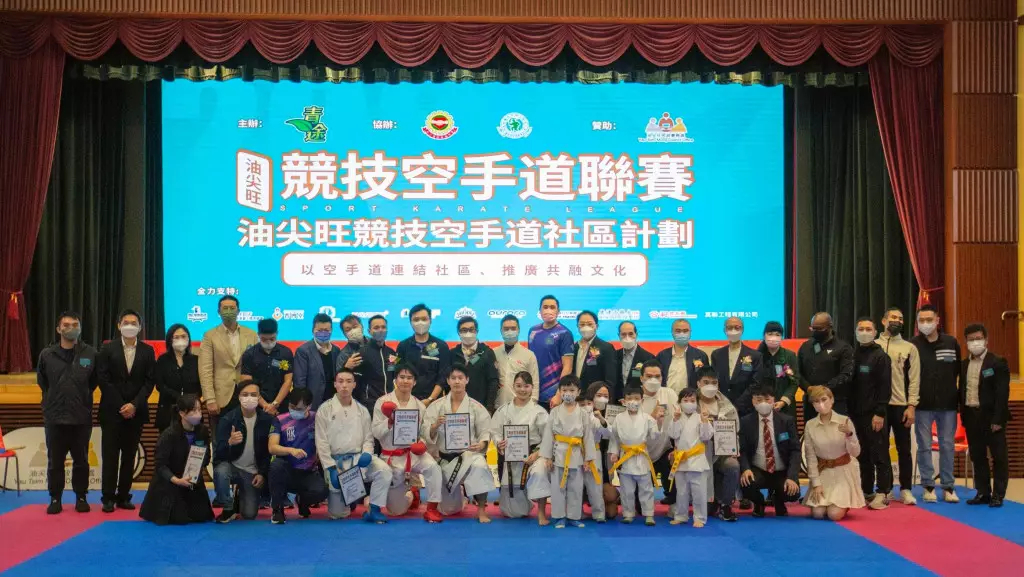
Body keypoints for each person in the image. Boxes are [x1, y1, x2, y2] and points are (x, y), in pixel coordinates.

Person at [97, 309, 156, 513]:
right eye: (126, 322)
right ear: (119, 325)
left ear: (140, 327)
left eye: (134, 323)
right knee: (110, 456)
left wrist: (134, 405)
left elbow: (149, 382)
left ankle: (123, 496)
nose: (130, 326)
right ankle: (108, 497)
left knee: (130, 456)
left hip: (136, 412)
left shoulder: (147, 351)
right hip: (111, 411)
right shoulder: (107, 349)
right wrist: (121, 405)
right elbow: (103, 379)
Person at [37, 311, 97, 514]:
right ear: (58, 329)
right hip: (55, 418)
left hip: (81, 418)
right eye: (66, 325)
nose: (71, 328)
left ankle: (81, 497)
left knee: (82, 461)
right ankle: (55, 498)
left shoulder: (90, 354)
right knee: (55, 462)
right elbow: (43, 382)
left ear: (80, 328)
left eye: (75, 325)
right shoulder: (47, 355)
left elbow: (93, 382)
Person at [315, 369, 393, 522]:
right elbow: (321, 442)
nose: (344, 385)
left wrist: (367, 453)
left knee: (384, 471)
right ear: (335, 384)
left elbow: (368, 438)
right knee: (338, 514)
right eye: (341, 381)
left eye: (348, 381)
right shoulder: (324, 410)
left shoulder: (362, 410)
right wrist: (330, 468)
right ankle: (349, 501)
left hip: (358, 459)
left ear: (354, 385)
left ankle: (374, 509)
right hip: (337, 463)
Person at [371, 364, 444, 522]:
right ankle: (412, 494)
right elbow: (375, 432)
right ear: (395, 380)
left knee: (433, 467)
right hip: (392, 456)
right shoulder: (382, 402)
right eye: (402, 377)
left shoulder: (419, 405)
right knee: (396, 511)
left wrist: (422, 443)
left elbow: (423, 432)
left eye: (409, 378)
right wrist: (389, 422)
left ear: (414, 382)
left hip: (413, 453)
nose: (405, 381)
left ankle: (432, 508)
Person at [424, 364, 495, 522]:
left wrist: (482, 444)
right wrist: (434, 426)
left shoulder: (476, 407)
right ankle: (461, 495)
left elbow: (485, 431)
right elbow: (426, 432)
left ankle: (481, 509)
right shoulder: (436, 406)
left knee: (480, 465)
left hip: (468, 456)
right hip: (445, 459)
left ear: (467, 380)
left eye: (460, 378)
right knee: (448, 510)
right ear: (448, 381)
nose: (457, 381)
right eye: (453, 378)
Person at [911, 304, 961, 504]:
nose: (926, 323)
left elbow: (957, 370)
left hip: (948, 405)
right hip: (922, 405)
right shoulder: (913, 344)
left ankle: (948, 487)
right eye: (921, 320)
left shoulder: (951, 342)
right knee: (924, 445)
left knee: (947, 445)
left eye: (929, 320)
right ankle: (928, 486)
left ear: (937, 320)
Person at [139, 394, 214, 525]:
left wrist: (196, 470)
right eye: (193, 410)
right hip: (171, 480)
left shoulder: (202, 431)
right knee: (179, 519)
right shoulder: (168, 434)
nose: (198, 414)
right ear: (182, 413)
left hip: (191, 479)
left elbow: (207, 457)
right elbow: (160, 465)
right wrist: (177, 480)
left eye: (199, 409)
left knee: (202, 516)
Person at [960, 324, 1010, 508]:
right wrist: (964, 415)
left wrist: (998, 419)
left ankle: (998, 494)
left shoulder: (997, 362)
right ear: (966, 342)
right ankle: (983, 493)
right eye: (971, 339)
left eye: (978, 338)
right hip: (971, 416)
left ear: (986, 340)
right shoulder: (964, 364)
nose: (975, 342)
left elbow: (1002, 394)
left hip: (992, 418)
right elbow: (962, 390)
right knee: (978, 457)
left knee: (999, 457)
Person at [492, 371, 551, 524]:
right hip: (511, 456)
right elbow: (495, 432)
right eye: (519, 386)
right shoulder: (503, 410)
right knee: (511, 512)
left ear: (532, 388)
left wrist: (537, 454)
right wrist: (499, 443)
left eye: (526, 386)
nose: (522, 390)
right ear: (513, 387)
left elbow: (548, 438)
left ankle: (541, 513)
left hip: (534, 455)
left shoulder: (539, 412)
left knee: (540, 472)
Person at [608, 386, 672, 525]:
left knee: (646, 489)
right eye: (629, 398)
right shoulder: (619, 418)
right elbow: (615, 438)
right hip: (625, 457)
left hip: (642, 457)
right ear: (624, 401)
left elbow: (654, 436)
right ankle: (628, 514)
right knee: (627, 490)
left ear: (642, 400)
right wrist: (614, 453)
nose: (633, 401)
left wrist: (659, 422)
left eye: (636, 398)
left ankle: (649, 514)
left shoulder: (647, 418)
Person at [876, 306, 920, 506]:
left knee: (904, 449)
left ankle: (906, 489)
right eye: (893, 317)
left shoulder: (909, 348)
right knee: (881, 448)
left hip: (901, 406)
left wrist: (911, 406)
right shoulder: (873, 346)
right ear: (883, 321)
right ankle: (885, 489)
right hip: (879, 407)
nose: (897, 321)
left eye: (900, 319)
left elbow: (914, 379)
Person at [539, 375, 598, 528]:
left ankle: (574, 516)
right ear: (559, 391)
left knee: (576, 488)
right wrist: (547, 457)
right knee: (558, 487)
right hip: (558, 452)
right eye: (564, 390)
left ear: (578, 392)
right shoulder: (554, 412)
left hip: (576, 453)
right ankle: (559, 517)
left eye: (572, 390)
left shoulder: (583, 413)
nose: (568, 393)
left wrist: (588, 458)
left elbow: (588, 437)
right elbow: (548, 435)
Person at [213, 380, 273, 523]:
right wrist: (229, 443)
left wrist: (262, 473)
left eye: (253, 395)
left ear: (259, 397)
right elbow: (218, 454)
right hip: (232, 467)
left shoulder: (267, 420)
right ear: (239, 397)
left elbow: (268, 453)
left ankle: (239, 494)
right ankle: (228, 507)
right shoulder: (227, 419)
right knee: (220, 471)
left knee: (249, 514)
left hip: (252, 472)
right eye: (245, 394)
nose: (249, 398)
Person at [802, 385, 865, 521]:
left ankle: (845, 503)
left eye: (824, 399)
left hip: (843, 472)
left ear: (832, 400)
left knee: (834, 514)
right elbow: (810, 457)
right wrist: (816, 484)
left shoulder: (845, 420)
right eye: (816, 401)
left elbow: (855, 453)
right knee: (818, 514)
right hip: (823, 472)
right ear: (813, 405)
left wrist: (850, 435)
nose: (821, 404)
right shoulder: (810, 425)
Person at [199, 295, 258, 441]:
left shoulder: (251, 334)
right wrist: (210, 399)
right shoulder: (210, 336)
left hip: (246, 394)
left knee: (247, 437)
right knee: (220, 439)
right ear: (218, 312)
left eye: (232, 308)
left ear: (238, 311)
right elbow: (205, 369)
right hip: (221, 396)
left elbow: (257, 366)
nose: (229, 311)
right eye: (225, 308)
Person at [738, 385, 801, 518]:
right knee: (745, 484)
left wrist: (792, 477)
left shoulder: (786, 421)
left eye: (767, 399)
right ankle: (759, 502)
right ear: (753, 401)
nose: (763, 403)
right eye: (759, 400)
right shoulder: (745, 422)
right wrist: (746, 469)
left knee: (793, 493)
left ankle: (778, 500)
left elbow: (795, 450)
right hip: (758, 469)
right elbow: (742, 450)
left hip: (781, 470)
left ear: (773, 400)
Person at [268, 388, 329, 524]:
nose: (294, 410)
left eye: (299, 409)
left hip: (308, 472)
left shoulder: (317, 418)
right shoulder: (280, 420)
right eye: (292, 407)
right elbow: (272, 447)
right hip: (287, 470)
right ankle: (277, 510)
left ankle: (303, 501)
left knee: (323, 491)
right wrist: (291, 450)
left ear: (309, 406)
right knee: (275, 466)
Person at [849, 319, 892, 510]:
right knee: (862, 454)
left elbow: (885, 386)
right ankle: (866, 490)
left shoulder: (881, 357)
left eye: (868, 329)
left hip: (874, 414)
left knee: (879, 453)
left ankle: (883, 492)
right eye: (861, 329)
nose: (864, 332)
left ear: (875, 332)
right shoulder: (853, 354)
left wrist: (880, 412)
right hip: (855, 414)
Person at [694, 365, 741, 522]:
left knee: (732, 465)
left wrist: (734, 449)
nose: (710, 386)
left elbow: (735, 431)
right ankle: (703, 501)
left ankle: (725, 505)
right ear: (698, 383)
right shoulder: (690, 403)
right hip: (697, 455)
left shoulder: (727, 406)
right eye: (706, 382)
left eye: (714, 383)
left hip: (721, 454)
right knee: (706, 511)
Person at [634, 360, 679, 507]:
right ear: (641, 378)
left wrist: (677, 449)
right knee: (640, 506)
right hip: (641, 452)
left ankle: (672, 497)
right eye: (649, 376)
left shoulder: (669, 394)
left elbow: (679, 422)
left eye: (657, 376)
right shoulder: (635, 398)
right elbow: (632, 431)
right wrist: (652, 418)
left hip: (664, 449)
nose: (653, 380)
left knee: (675, 460)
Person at [667, 388, 713, 527]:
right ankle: (681, 516)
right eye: (685, 400)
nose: (689, 403)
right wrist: (675, 419)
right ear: (679, 403)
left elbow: (706, 437)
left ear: (697, 403)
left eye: (692, 400)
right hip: (681, 460)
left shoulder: (700, 417)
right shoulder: (677, 418)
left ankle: (700, 518)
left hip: (697, 460)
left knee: (699, 492)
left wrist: (704, 421)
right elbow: (673, 435)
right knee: (681, 492)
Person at [798, 312, 854, 421]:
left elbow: (846, 374)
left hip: (835, 402)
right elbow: (797, 372)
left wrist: (823, 389)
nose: (815, 331)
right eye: (813, 328)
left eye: (819, 329)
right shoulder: (806, 346)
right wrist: (808, 388)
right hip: (811, 402)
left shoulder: (843, 348)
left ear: (830, 327)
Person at [395, 304, 451, 405]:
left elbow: (443, 376)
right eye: (416, 319)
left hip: (434, 402)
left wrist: (430, 399)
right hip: (407, 402)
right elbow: (396, 373)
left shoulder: (441, 346)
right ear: (411, 322)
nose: (420, 322)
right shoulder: (402, 346)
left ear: (430, 321)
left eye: (424, 319)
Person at [528, 295, 574, 408]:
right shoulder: (533, 331)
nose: (548, 310)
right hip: (532, 392)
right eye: (545, 307)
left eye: (552, 307)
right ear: (540, 311)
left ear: (558, 311)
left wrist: (559, 394)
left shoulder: (565, 333)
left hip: (552, 395)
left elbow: (568, 367)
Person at [240, 318, 293, 416]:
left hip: (281, 403)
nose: (268, 342)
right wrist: (265, 405)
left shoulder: (286, 353)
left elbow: (288, 381)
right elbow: (247, 383)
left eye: (272, 339)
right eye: (264, 339)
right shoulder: (249, 355)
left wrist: (275, 404)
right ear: (258, 334)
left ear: (277, 333)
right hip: (256, 404)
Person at [710, 316, 762, 415]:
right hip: (721, 408)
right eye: (729, 327)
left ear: (742, 330)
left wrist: (737, 405)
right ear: (724, 330)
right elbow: (713, 380)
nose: (733, 330)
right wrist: (723, 403)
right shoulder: (716, 354)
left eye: (737, 327)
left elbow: (755, 384)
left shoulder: (755, 355)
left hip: (746, 409)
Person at [154, 324, 201, 432]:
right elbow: (160, 385)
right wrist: (180, 398)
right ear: (170, 340)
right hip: (168, 410)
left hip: (192, 411)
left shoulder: (196, 360)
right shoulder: (162, 360)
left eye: (183, 336)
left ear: (188, 339)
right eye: (176, 337)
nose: (180, 339)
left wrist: (190, 400)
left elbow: (201, 385)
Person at [292, 313, 342, 410]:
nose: (323, 333)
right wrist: (303, 403)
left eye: (326, 330)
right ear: (313, 331)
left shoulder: (336, 350)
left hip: (333, 402)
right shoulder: (303, 351)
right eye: (319, 330)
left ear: (331, 331)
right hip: (312, 403)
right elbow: (299, 381)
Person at [451, 316, 500, 413]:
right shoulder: (453, 353)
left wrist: (489, 408)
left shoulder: (487, 353)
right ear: (458, 333)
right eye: (464, 330)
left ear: (477, 331)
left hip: (481, 407)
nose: (468, 333)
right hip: (456, 408)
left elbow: (493, 382)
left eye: (471, 329)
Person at [578, 384, 611, 523]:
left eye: (589, 403)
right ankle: (576, 513)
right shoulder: (573, 417)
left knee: (595, 487)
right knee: (576, 486)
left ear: (593, 404)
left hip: (594, 454)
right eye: (582, 404)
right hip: (577, 454)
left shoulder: (596, 418)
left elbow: (607, 434)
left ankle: (599, 514)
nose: (586, 406)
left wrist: (601, 419)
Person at [494, 315, 540, 407]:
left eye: (513, 328)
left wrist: (532, 404)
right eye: (506, 329)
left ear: (518, 330)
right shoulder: (494, 353)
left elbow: (535, 382)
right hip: (498, 405)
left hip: (522, 406)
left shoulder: (529, 355)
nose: (509, 332)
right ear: (501, 331)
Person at [756, 321, 800, 418]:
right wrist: (763, 400)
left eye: (777, 334)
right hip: (762, 406)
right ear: (764, 336)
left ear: (782, 337)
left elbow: (794, 381)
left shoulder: (789, 355)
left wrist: (783, 401)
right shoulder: (756, 356)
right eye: (770, 334)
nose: (773, 337)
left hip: (785, 408)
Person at [655, 319, 709, 394]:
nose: (682, 334)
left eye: (685, 331)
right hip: (666, 398)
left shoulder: (700, 356)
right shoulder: (662, 356)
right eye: (678, 331)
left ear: (690, 333)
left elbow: (705, 380)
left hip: (691, 398)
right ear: (672, 333)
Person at [357, 315, 397, 411]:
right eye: (376, 328)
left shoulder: (392, 352)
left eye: (383, 327)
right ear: (369, 331)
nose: (380, 330)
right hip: (369, 404)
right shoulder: (361, 353)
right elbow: (356, 381)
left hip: (389, 402)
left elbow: (393, 374)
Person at [572, 311, 617, 392]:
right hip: (575, 394)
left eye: (590, 324)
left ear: (597, 326)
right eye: (582, 324)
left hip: (595, 395)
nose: (586, 327)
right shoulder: (574, 347)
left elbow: (610, 378)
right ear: (577, 327)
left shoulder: (606, 348)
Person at [615, 321, 654, 402]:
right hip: (617, 403)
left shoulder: (648, 358)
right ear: (618, 335)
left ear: (636, 334)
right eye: (623, 334)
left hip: (638, 402)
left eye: (630, 334)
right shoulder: (613, 355)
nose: (627, 337)